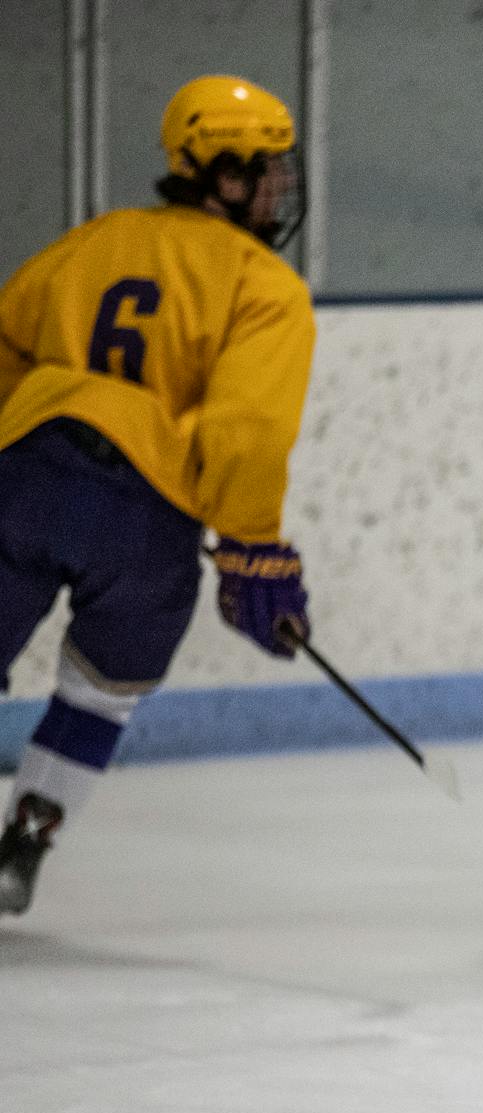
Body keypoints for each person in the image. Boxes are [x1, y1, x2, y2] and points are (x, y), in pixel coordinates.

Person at [0, 75, 315, 912]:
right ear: (219, 173)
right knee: (105, 686)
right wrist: (252, 550)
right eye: (265, 170)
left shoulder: (94, 241)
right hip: (145, 518)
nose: (280, 189)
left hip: (22, 480)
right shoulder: (264, 288)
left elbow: (7, 341)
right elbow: (245, 432)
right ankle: (26, 839)